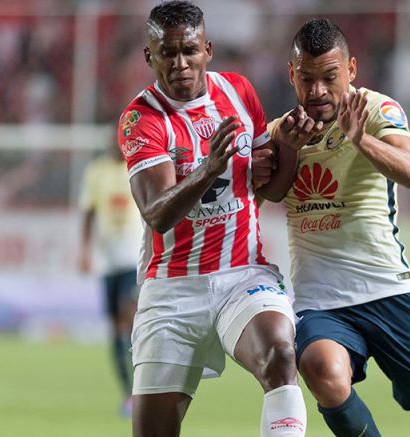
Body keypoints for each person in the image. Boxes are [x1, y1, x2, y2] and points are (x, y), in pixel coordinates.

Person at [253, 19, 410, 437]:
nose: (317, 91)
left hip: (389, 290)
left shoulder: (378, 110)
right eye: (307, 79)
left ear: (352, 70)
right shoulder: (280, 132)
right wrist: (288, 149)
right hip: (321, 301)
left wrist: (359, 138)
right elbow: (268, 194)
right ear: (292, 74)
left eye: (330, 78)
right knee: (320, 369)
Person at [118, 2, 306, 436]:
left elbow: (270, 189)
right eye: (167, 53)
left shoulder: (239, 92)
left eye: (189, 50)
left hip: (243, 273)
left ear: (208, 49)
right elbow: (157, 213)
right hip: (172, 288)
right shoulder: (141, 119)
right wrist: (208, 168)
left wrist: (289, 151)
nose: (180, 63)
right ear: (150, 57)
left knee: (279, 355)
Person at [78, 135, 144, 417]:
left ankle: (142, 392)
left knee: (125, 317)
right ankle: (127, 393)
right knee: (116, 330)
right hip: (108, 262)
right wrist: (85, 250)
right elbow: (88, 212)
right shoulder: (96, 171)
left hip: (134, 258)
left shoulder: (138, 167)